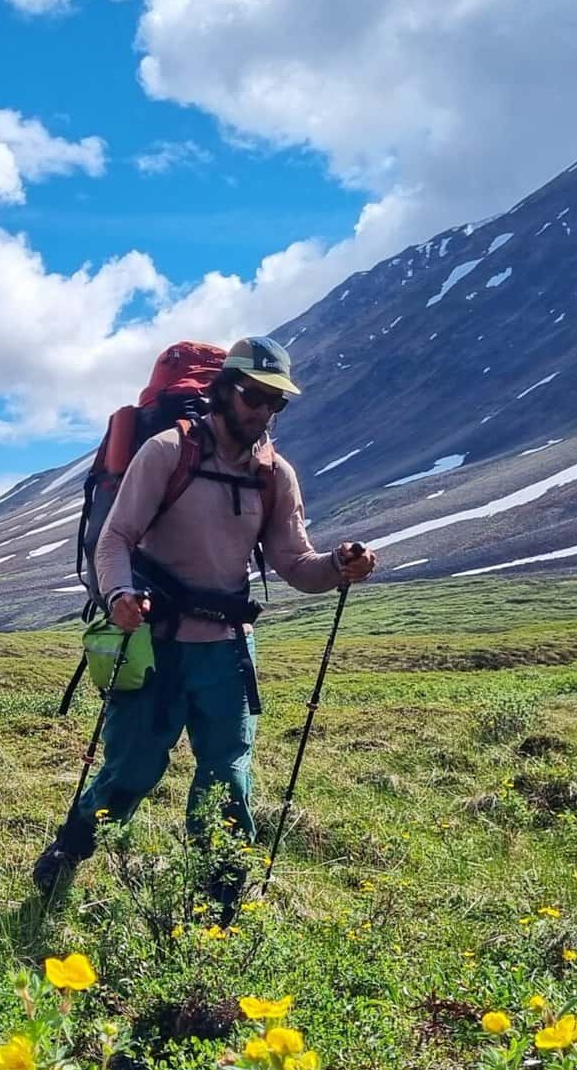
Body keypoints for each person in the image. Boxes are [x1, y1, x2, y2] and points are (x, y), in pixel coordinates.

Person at [31, 335, 377, 894]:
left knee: (228, 773)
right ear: (223, 390)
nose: (263, 410)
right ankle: (71, 848)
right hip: (153, 641)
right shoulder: (166, 451)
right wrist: (120, 595)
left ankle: (221, 893)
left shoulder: (274, 474)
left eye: (276, 401)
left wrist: (339, 567)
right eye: (253, 395)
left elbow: (295, 563)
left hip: (226, 651)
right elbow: (115, 538)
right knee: (130, 773)